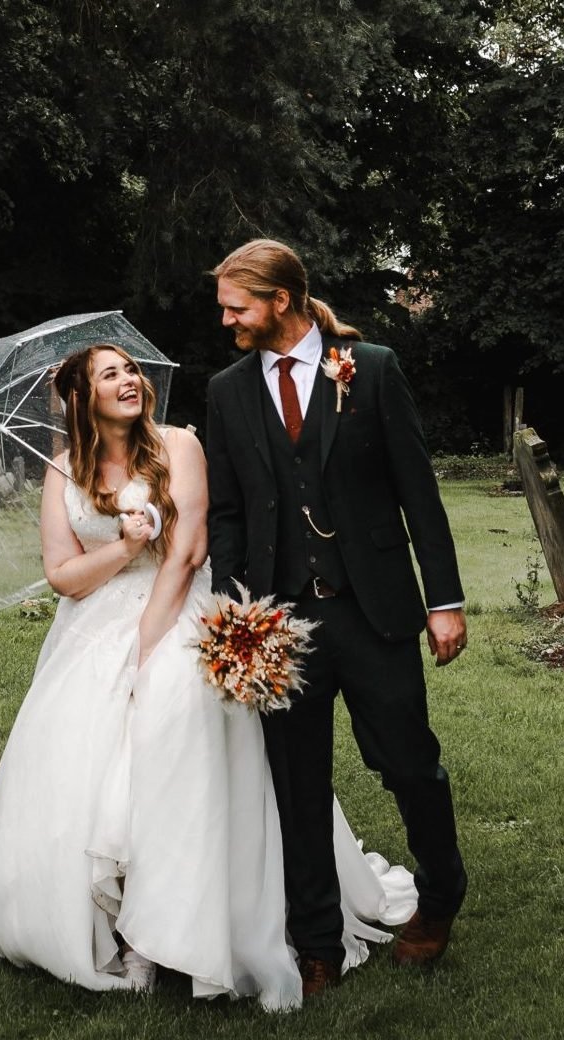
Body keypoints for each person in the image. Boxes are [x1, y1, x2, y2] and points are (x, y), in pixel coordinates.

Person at [0, 342, 417, 1009]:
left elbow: (187, 552)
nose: (128, 380)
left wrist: (146, 651)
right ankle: (113, 920)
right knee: (82, 752)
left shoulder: (179, 444)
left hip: (178, 613)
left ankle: (182, 923)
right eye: (109, 374)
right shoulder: (62, 469)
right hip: (95, 626)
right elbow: (63, 574)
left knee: (176, 711)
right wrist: (121, 548)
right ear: (81, 398)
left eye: (129, 369)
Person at [206, 239, 469, 997]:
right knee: (296, 783)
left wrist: (441, 601)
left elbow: (418, 493)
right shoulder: (226, 391)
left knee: (408, 762)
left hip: (373, 610)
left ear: (279, 301)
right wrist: (236, 610)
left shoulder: (373, 370)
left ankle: (442, 891)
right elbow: (225, 512)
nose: (227, 320)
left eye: (237, 305)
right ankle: (316, 942)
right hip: (279, 625)